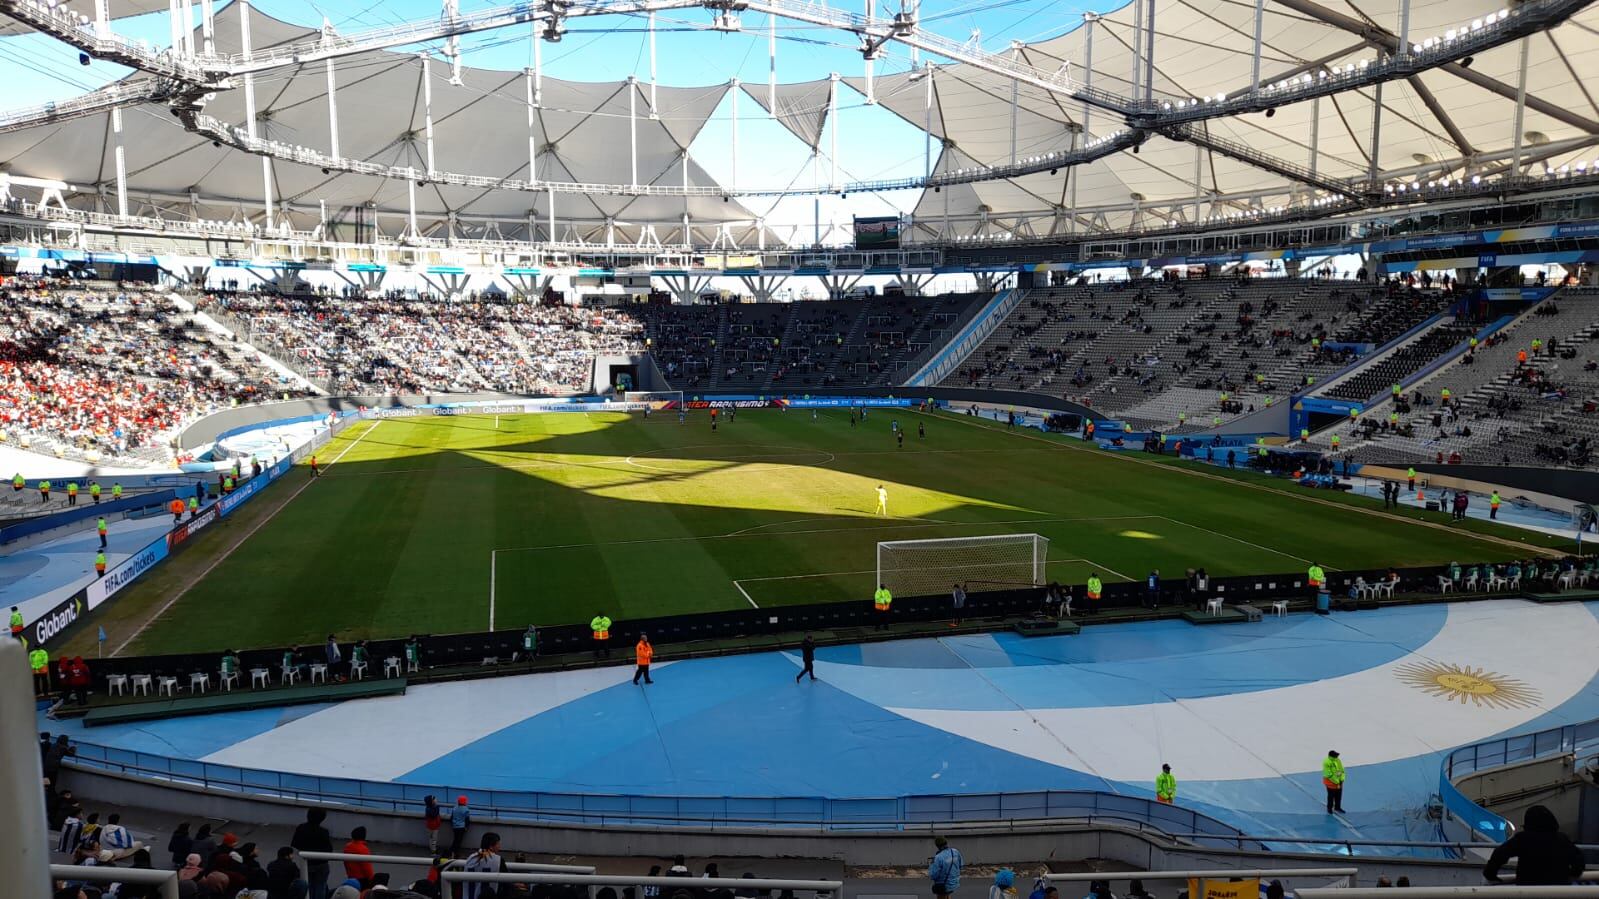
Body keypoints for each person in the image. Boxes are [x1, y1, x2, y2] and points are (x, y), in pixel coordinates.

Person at [1482, 804, 1585, 884]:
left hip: (1528, 889)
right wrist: (1572, 874)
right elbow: (1578, 859)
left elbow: (1500, 854)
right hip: (1558, 889)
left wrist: (1490, 874)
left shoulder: (1522, 839)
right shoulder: (1562, 839)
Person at [290, 808, 333, 899]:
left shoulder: (301, 828)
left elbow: (295, 843)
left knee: (307, 886)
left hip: (306, 863)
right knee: (320, 887)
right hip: (321, 864)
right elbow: (329, 849)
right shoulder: (324, 832)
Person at [461, 832, 505, 899]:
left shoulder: (471, 858)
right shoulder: (498, 860)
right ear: (491, 846)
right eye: (498, 844)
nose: (499, 846)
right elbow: (506, 879)